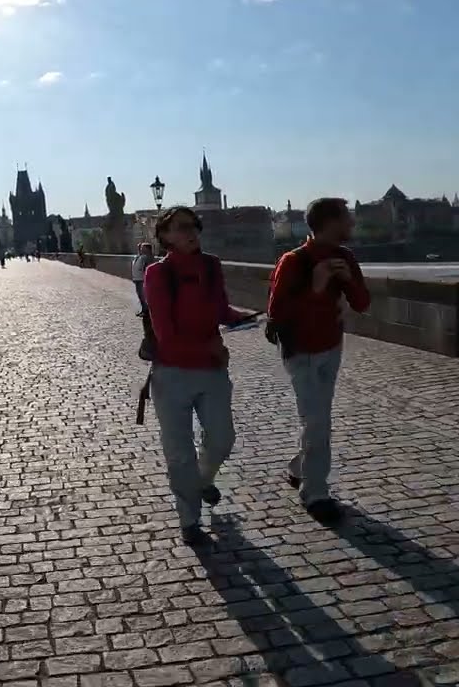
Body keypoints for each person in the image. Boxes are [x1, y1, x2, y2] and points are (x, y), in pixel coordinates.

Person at [145, 207, 255, 546]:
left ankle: (203, 481)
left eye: (193, 226)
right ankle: (189, 520)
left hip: (211, 371)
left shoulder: (211, 265)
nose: (190, 232)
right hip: (172, 373)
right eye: (180, 228)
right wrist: (210, 347)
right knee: (179, 452)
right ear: (165, 236)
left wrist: (244, 317)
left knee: (223, 438)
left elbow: (221, 310)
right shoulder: (157, 274)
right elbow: (166, 334)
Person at [265, 197, 370, 524]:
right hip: (301, 350)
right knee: (317, 420)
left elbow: (363, 303)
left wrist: (348, 282)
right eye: (346, 218)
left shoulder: (345, 257)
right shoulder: (294, 261)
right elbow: (277, 312)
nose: (352, 224)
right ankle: (315, 492)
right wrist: (318, 285)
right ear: (329, 222)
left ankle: (300, 467)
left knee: (318, 417)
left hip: (330, 347)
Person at [131, 242, 156, 317]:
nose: (141, 249)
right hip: (137, 278)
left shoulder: (147, 257)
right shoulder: (140, 256)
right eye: (141, 248)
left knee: (143, 296)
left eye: (143, 248)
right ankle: (144, 310)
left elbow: (146, 268)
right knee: (140, 296)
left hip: (142, 279)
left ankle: (146, 311)